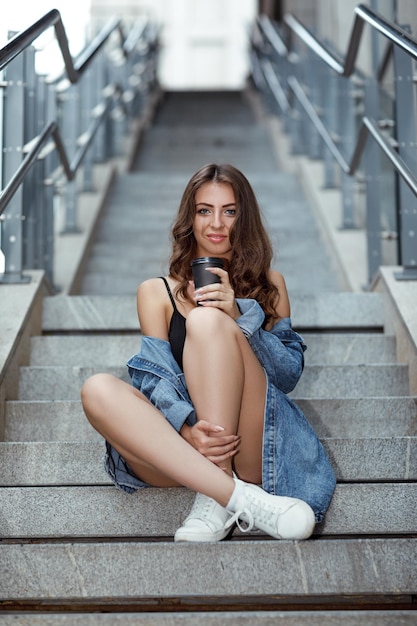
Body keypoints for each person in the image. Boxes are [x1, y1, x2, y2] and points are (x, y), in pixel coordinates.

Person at [81, 163, 336, 542]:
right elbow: (154, 379)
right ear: (190, 218)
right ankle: (236, 496)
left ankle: (216, 495)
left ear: (243, 218)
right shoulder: (156, 292)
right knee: (97, 389)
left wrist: (238, 315)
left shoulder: (271, 285)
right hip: (181, 449)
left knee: (206, 322)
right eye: (205, 210)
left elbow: (287, 376)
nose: (216, 223)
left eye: (229, 211)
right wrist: (186, 428)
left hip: (246, 445)